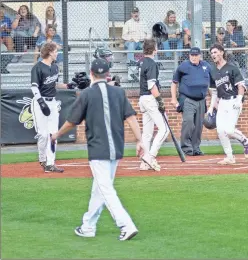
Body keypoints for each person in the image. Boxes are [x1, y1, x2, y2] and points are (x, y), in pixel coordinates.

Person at [51, 58, 143, 240]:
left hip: (98, 148)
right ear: (107, 74)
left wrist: (56, 135)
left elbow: (71, 122)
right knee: (99, 188)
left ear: (91, 74)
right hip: (116, 147)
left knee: (105, 188)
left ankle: (126, 224)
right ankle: (88, 226)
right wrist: (140, 140)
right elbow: (131, 118)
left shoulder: (86, 94)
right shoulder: (118, 92)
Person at [30, 42, 76, 173]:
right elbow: (34, 87)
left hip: (52, 102)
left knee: (53, 134)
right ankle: (42, 159)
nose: (57, 53)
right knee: (43, 135)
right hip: (40, 102)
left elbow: (53, 84)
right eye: (55, 51)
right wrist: (41, 102)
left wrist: (68, 86)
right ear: (49, 52)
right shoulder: (37, 67)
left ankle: (50, 163)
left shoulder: (55, 67)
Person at [207, 44, 248, 165]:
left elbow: (241, 85)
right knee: (221, 131)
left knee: (229, 130)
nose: (213, 55)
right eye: (212, 53)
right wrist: (211, 107)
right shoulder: (212, 71)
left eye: (215, 52)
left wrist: (239, 99)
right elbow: (214, 91)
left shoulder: (232, 68)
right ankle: (229, 157)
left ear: (222, 52)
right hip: (222, 102)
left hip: (234, 100)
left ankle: (246, 141)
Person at [171, 47, 210, 156]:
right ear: (189, 56)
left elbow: (212, 84)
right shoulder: (183, 66)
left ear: (200, 56)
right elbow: (174, 83)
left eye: (196, 55)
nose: (193, 57)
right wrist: (174, 98)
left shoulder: (206, 66)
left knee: (198, 125)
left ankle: (195, 148)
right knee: (188, 122)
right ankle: (186, 148)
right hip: (187, 98)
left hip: (201, 99)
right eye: (192, 55)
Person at [139, 38, 169, 170]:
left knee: (147, 133)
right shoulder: (151, 63)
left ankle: (144, 163)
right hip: (150, 98)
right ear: (154, 49)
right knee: (165, 129)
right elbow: (152, 86)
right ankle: (150, 156)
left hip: (143, 99)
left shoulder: (143, 62)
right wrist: (160, 101)